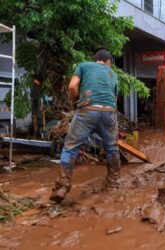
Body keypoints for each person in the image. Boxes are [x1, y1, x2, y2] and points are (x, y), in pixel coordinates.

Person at [50, 49, 120, 203]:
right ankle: (112, 185)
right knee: (112, 148)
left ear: (96, 59)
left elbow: (72, 87)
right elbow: (114, 99)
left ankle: (62, 186)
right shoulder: (113, 74)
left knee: (70, 148)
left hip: (87, 110)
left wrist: (75, 103)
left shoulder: (83, 66)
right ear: (109, 62)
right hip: (109, 112)